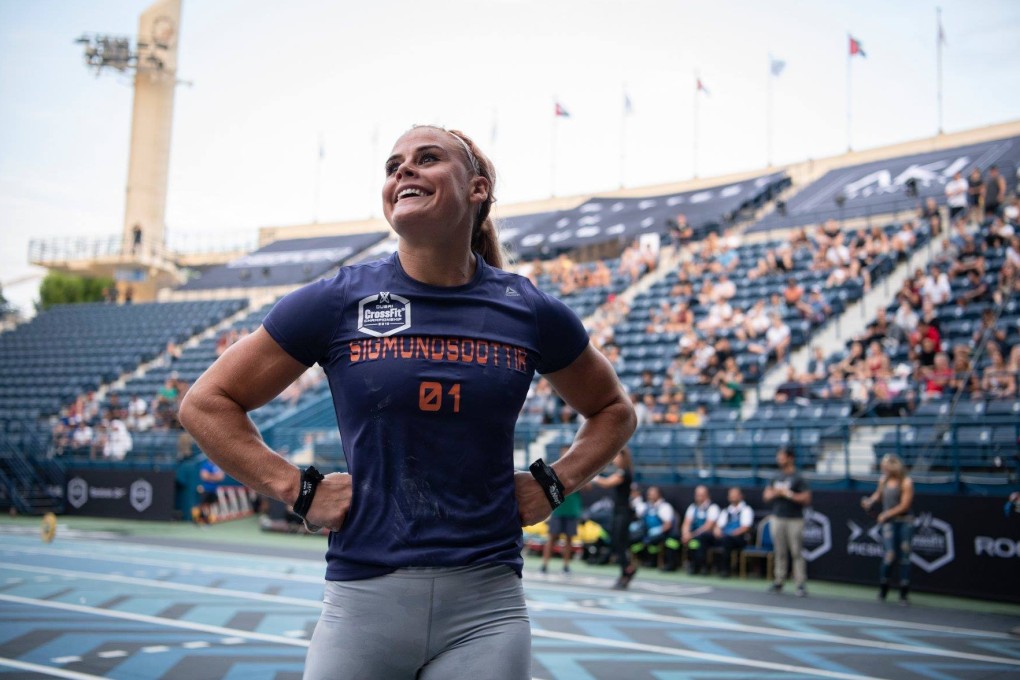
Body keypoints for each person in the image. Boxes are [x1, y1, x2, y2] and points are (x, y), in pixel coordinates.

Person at [178, 125, 636, 680]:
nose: (403, 172)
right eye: (393, 165)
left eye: (426, 158)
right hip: (363, 602)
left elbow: (614, 410)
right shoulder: (338, 298)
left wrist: (554, 483)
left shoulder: (527, 308)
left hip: (486, 609)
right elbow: (206, 403)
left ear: (477, 189)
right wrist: (293, 487)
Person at [861, 454, 915, 604]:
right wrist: (869, 501)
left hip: (905, 522)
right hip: (889, 523)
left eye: (886, 466)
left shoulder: (906, 482)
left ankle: (904, 591)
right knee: (889, 554)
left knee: (904, 554)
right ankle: (884, 587)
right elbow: (878, 495)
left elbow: (905, 505)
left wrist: (886, 514)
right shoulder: (883, 480)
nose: (883, 469)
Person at [763, 447, 812, 597]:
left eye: (782, 456)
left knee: (796, 551)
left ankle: (800, 583)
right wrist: (777, 493)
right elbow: (766, 496)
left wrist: (789, 494)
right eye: (778, 456)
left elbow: (806, 498)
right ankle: (779, 581)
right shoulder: (775, 476)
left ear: (790, 458)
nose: (779, 459)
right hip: (778, 517)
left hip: (795, 519)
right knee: (779, 551)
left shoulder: (798, 477)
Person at [592, 448, 638, 589]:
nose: (614, 459)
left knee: (619, 543)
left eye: (617, 456)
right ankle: (627, 570)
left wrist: (593, 477)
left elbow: (607, 483)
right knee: (618, 543)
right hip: (619, 512)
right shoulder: (622, 472)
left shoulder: (623, 473)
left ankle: (626, 571)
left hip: (623, 513)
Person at [540, 484, 583, 575]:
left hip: (572, 510)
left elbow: (588, 487)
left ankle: (566, 567)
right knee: (552, 538)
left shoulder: (579, 474)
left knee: (569, 539)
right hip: (558, 510)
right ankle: (544, 565)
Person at [633, 486, 678, 570]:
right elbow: (637, 515)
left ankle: (660, 562)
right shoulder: (646, 506)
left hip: (662, 533)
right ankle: (639, 561)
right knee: (634, 538)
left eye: (652, 494)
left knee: (653, 540)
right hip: (647, 532)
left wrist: (658, 530)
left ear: (658, 495)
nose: (649, 496)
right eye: (649, 494)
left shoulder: (664, 507)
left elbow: (668, 525)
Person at [713, 487, 754, 577]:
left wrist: (731, 534)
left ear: (741, 496)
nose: (733, 497)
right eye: (731, 496)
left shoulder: (746, 510)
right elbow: (718, 526)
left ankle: (725, 569)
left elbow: (745, 527)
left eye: (735, 495)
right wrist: (717, 530)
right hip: (726, 538)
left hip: (740, 539)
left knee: (727, 540)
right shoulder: (726, 511)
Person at [681, 485, 719, 575]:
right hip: (693, 536)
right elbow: (686, 523)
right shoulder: (692, 507)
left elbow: (708, 526)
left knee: (701, 539)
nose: (699, 497)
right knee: (690, 541)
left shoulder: (713, 507)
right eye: (697, 495)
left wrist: (692, 535)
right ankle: (693, 565)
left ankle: (703, 566)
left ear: (707, 495)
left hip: (709, 537)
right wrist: (685, 534)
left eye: (701, 495)